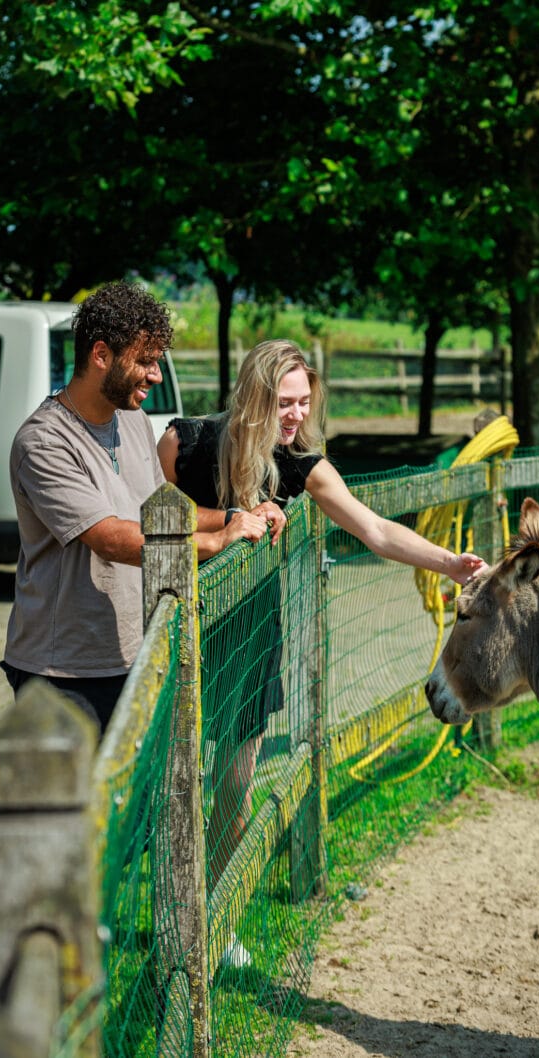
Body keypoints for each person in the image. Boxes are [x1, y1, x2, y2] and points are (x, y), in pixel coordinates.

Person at [158, 338, 487, 966]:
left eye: (304, 401)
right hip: (183, 625)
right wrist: (231, 519)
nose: (296, 414)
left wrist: (450, 563)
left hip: (254, 635)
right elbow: (152, 518)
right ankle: (171, 916)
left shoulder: (300, 465)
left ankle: (215, 922)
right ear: (254, 396)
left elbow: (375, 529)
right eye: (285, 401)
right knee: (172, 779)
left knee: (236, 781)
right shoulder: (183, 442)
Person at [0, 281, 268, 735]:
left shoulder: (134, 420)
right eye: (144, 361)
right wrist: (217, 542)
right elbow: (110, 539)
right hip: (65, 673)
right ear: (101, 354)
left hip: (136, 656)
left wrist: (235, 518)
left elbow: (160, 512)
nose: (156, 376)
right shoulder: (43, 442)